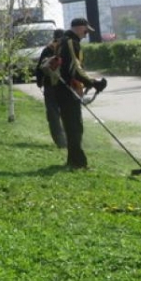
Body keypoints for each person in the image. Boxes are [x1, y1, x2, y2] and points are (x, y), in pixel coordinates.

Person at [55, 17, 107, 170]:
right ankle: (78, 163)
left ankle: (74, 161)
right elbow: (74, 69)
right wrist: (93, 82)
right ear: (79, 28)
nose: (86, 34)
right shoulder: (71, 42)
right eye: (85, 30)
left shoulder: (64, 40)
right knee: (74, 127)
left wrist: (87, 83)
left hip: (65, 89)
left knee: (73, 127)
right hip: (67, 90)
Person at [34, 29, 67, 148]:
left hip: (50, 87)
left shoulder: (48, 49)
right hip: (65, 87)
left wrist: (39, 82)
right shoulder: (66, 48)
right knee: (67, 113)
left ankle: (60, 141)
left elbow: (39, 68)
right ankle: (71, 138)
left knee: (53, 115)